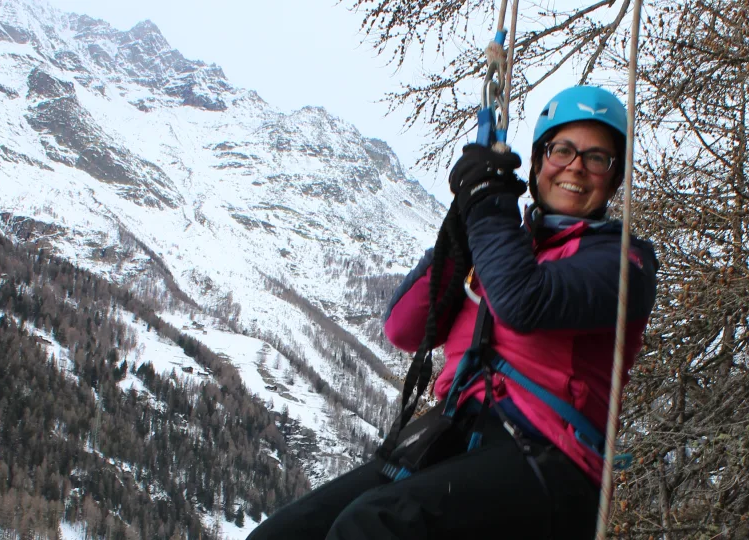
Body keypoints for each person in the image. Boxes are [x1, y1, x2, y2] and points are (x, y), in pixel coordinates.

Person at [247, 85, 658, 540]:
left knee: (372, 527)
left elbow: (525, 301)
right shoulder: (501, 245)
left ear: (613, 178)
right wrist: (463, 231)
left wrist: (488, 211)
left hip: (552, 465)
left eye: (597, 157)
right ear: (540, 160)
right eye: (563, 150)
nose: (576, 166)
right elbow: (403, 328)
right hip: (458, 440)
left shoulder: (623, 264)